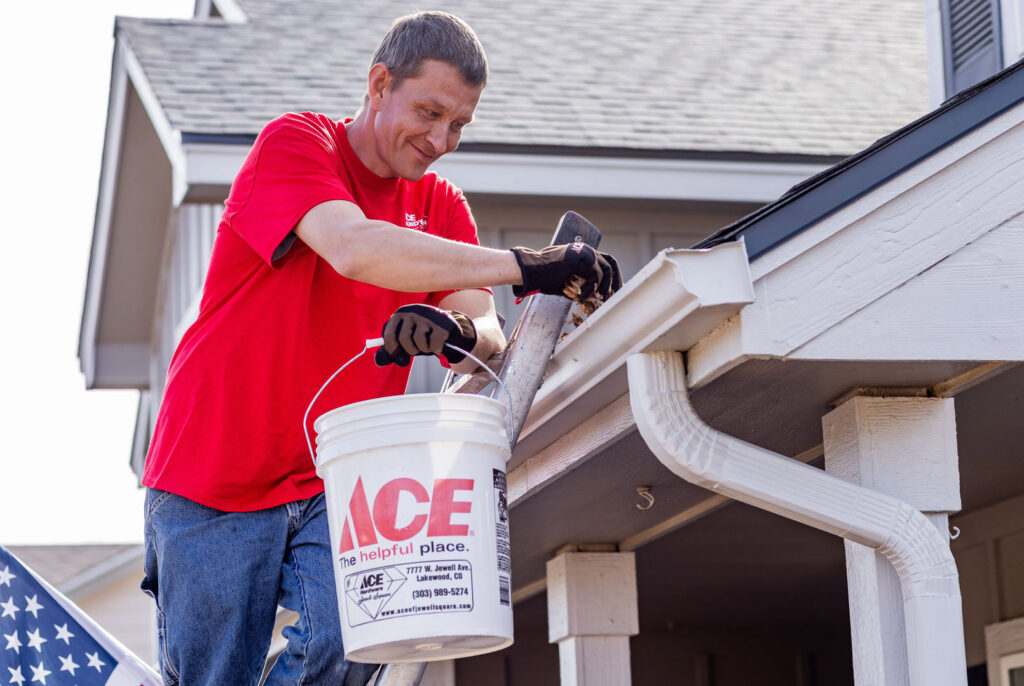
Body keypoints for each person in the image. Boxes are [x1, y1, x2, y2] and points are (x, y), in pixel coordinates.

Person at [140, 10, 620, 686]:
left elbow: (485, 331)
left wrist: (454, 331)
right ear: (378, 83)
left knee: (359, 638)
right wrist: (530, 264)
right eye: (428, 111)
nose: (441, 138)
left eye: (459, 124)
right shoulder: (298, 143)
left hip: (339, 476)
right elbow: (354, 247)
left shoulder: (442, 205)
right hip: (213, 471)